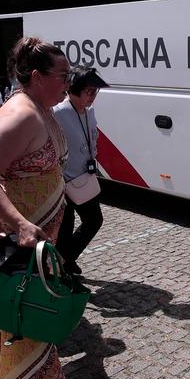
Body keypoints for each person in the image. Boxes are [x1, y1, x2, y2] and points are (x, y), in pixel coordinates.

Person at [0, 37, 110, 379]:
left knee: (3, 312)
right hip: (9, 236)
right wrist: (19, 223)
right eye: (62, 75)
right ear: (35, 76)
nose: (69, 80)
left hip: (33, 234)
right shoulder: (20, 115)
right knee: (31, 317)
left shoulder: (43, 109)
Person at [53, 66, 110, 275]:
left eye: (95, 92)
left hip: (84, 178)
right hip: (63, 182)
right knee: (65, 229)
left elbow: (92, 138)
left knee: (94, 220)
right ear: (73, 89)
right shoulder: (57, 113)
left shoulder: (89, 112)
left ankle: (67, 258)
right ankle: (63, 268)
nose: (92, 96)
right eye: (88, 91)